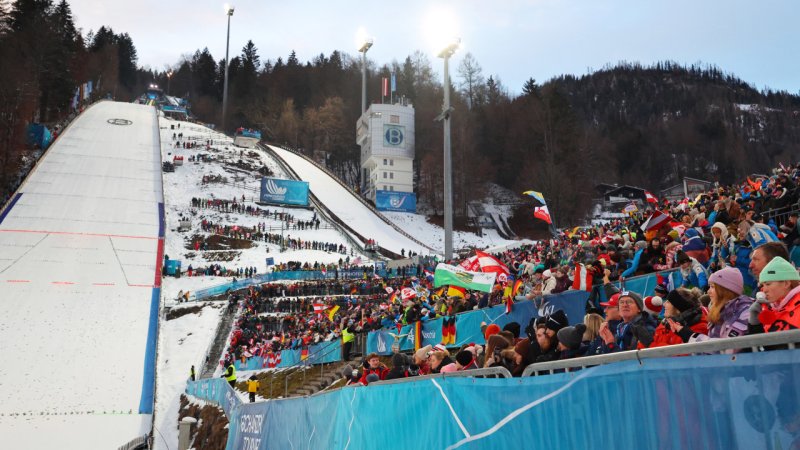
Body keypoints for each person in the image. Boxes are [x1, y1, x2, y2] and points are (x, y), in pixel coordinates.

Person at [671, 267, 752, 346]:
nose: (708, 291)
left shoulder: (745, 312)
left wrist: (689, 336)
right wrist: (683, 332)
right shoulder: (720, 311)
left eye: (712, 287)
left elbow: (727, 348)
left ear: (725, 290)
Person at [749, 256, 800, 333]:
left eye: (768, 284)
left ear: (786, 283)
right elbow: (760, 344)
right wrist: (754, 323)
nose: (764, 290)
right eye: (763, 285)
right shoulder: (769, 308)